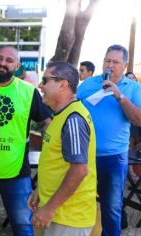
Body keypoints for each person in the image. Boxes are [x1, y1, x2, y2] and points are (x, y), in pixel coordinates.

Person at [0, 46, 52, 236]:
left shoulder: (28, 92)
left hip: (17, 173)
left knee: (23, 224)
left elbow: (47, 122)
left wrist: (51, 150)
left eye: (9, 60)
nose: (3, 63)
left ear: (17, 66)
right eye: (0, 58)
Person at [77, 44, 141, 236]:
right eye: (107, 60)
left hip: (113, 158)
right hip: (83, 155)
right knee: (78, 202)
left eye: (115, 62)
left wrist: (120, 96)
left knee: (112, 207)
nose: (110, 65)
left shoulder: (133, 88)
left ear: (124, 65)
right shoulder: (87, 85)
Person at [27, 61, 97, 235]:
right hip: (58, 213)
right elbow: (56, 163)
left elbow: (79, 170)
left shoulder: (73, 119)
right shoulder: (61, 115)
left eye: (45, 80)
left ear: (63, 85)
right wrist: (39, 191)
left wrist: (49, 208)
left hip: (69, 218)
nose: (40, 85)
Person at [125, 72, 141, 180]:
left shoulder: (138, 91)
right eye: (129, 78)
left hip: (136, 123)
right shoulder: (123, 91)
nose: (131, 79)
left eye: (133, 78)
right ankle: (130, 171)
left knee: (134, 146)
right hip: (126, 123)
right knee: (128, 147)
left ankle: (130, 169)